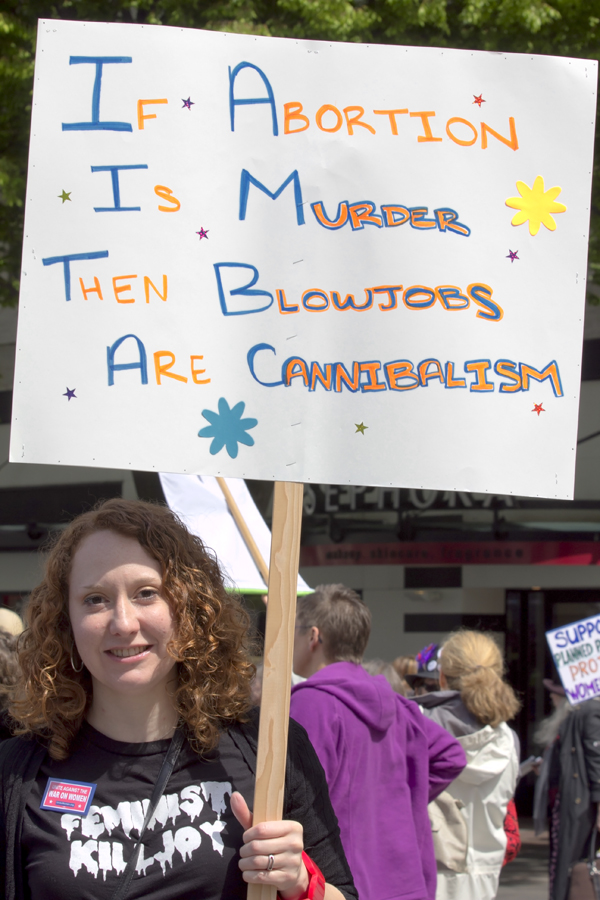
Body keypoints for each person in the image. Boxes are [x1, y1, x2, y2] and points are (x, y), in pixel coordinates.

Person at [0, 499, 357, 900]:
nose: (123, 622)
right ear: (66, 620)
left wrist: (300, 883)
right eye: (95, 599)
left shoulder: (270, 749)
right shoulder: (14, 773)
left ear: (189, 608)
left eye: (146, 593)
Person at [289, 584, 467, 900]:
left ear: (313, 636)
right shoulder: (400, 705)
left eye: (294, 630)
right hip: (405, 882)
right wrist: (401, 798)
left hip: (337, 884)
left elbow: (295, 801)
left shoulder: (310, 704)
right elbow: (451, 755)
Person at [415, 630, 520, 900]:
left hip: (422, 878)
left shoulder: (414, 727)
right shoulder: (509, 740)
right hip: (484, 883)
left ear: (441, 677)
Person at [550, 693, 600, 900]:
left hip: (582, 807)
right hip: (576, 803)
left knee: (570, 865)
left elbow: (596, 761)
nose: (552, 696)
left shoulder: (590, 711)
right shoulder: (583, 712)